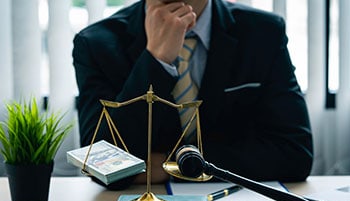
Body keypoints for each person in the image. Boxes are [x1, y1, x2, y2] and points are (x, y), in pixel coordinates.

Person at [72, 0, 313, 190]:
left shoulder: (263, 33)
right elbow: (98, 163)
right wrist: (156, 60)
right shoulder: (95, 43)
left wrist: (172, 165)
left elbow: (295, 154)